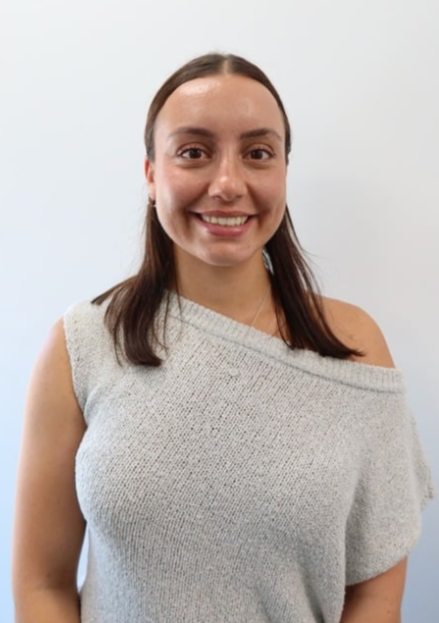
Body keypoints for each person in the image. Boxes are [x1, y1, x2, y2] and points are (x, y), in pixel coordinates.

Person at [12, 52, 434, 623]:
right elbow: (42, 583)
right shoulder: (84, 343)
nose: (228, 183)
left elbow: (374, 596)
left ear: (284, 169)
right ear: (151, 175)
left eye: (258, 153)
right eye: (194, 153)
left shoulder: (352, 346)